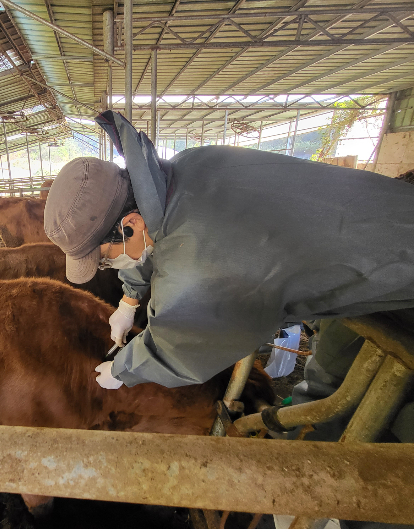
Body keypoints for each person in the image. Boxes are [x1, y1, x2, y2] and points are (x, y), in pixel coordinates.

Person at [43, 111, 414, 390]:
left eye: (105, 256)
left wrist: (124, 370)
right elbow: (165, 228)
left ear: (130, 224)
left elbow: (183, 344)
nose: (109, 263)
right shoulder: (189, 167)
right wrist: (129, 299)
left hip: (396, 268)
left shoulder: (200, 266)